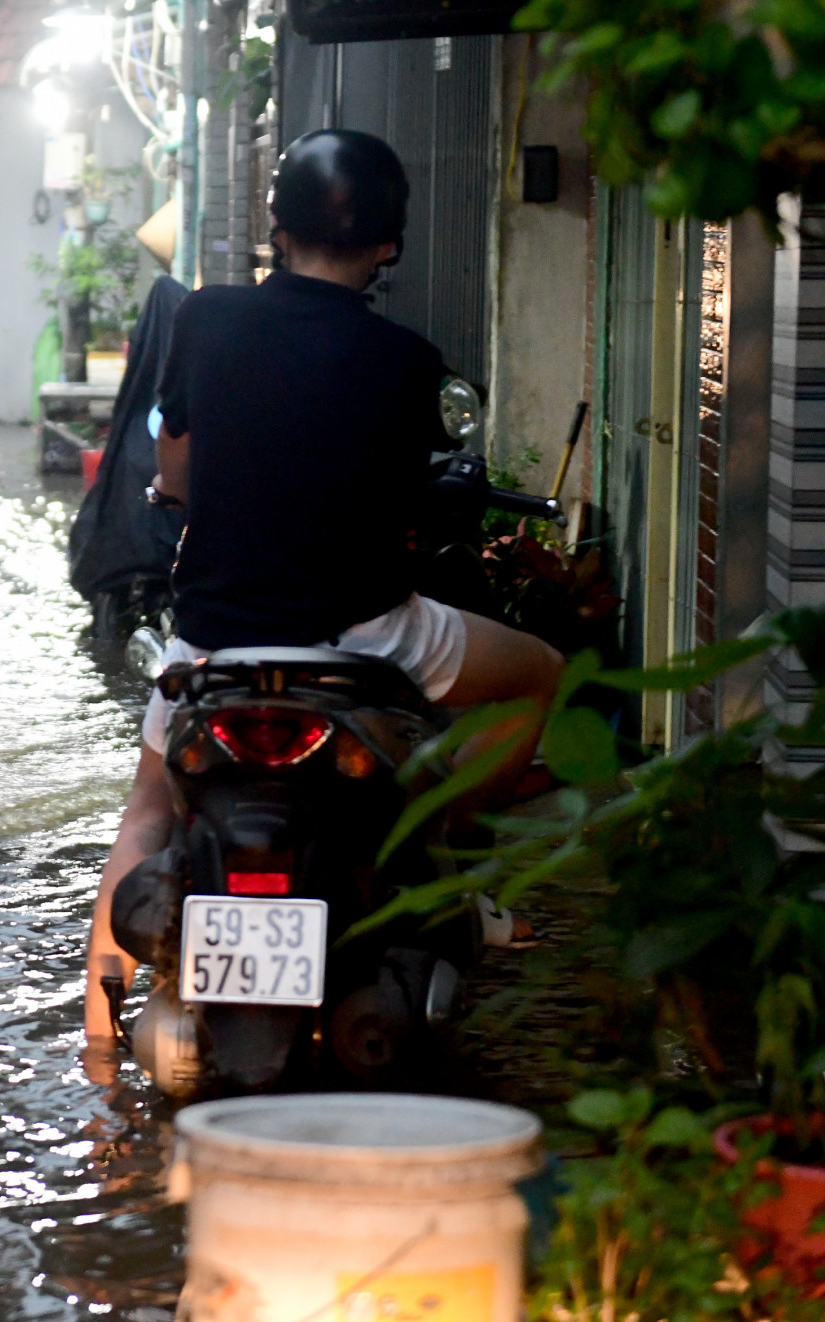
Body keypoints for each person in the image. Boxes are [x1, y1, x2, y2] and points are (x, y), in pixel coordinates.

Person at [78, 130, 565, 1078]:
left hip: (216, 648)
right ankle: (447, 842)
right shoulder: (408, 359)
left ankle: (99, 1033)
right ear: (389, 243)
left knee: (146, 807)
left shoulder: (205, 320)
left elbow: (174, 468)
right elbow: (401, 498)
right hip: (372, 640)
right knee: (538, 673)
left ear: (274, 223)